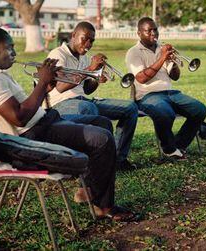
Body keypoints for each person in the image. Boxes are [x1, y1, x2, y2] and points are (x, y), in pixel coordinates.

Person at [0, 27, 138, 221]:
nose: (15, 53)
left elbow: (25, 108)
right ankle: (103, 206)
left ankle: (90, 190)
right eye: (9, 48)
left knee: (101, 123)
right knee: (102, 139)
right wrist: (43, 83)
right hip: (32, 137)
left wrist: (46, 88)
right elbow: (20, 118)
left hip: (43, 122)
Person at [46, 21, 139, 171]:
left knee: (130, 108)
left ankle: (117, 159)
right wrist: (90, 68)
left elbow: (87, 90)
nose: (88, 44)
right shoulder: (58, 54)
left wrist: (96, 78)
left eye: (92, 40)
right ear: (73, 35)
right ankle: (92, 165)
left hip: (84, 101)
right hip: (60, 104)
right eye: (85, 39)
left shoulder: (84, 57)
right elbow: (61, 87)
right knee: (88, 108)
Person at [125, 17, 206, 159]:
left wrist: (173, 62)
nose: (153, 33)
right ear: (139, 33)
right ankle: (169, 149)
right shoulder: (134, 52)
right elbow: (141, 78)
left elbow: (175, 77)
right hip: (147, 96)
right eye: (148, 30)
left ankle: (177, 145)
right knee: (165, 113)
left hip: (170, 93)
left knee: (199, 110)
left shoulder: (162, 48)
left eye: (155, 29)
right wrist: (162, 58)